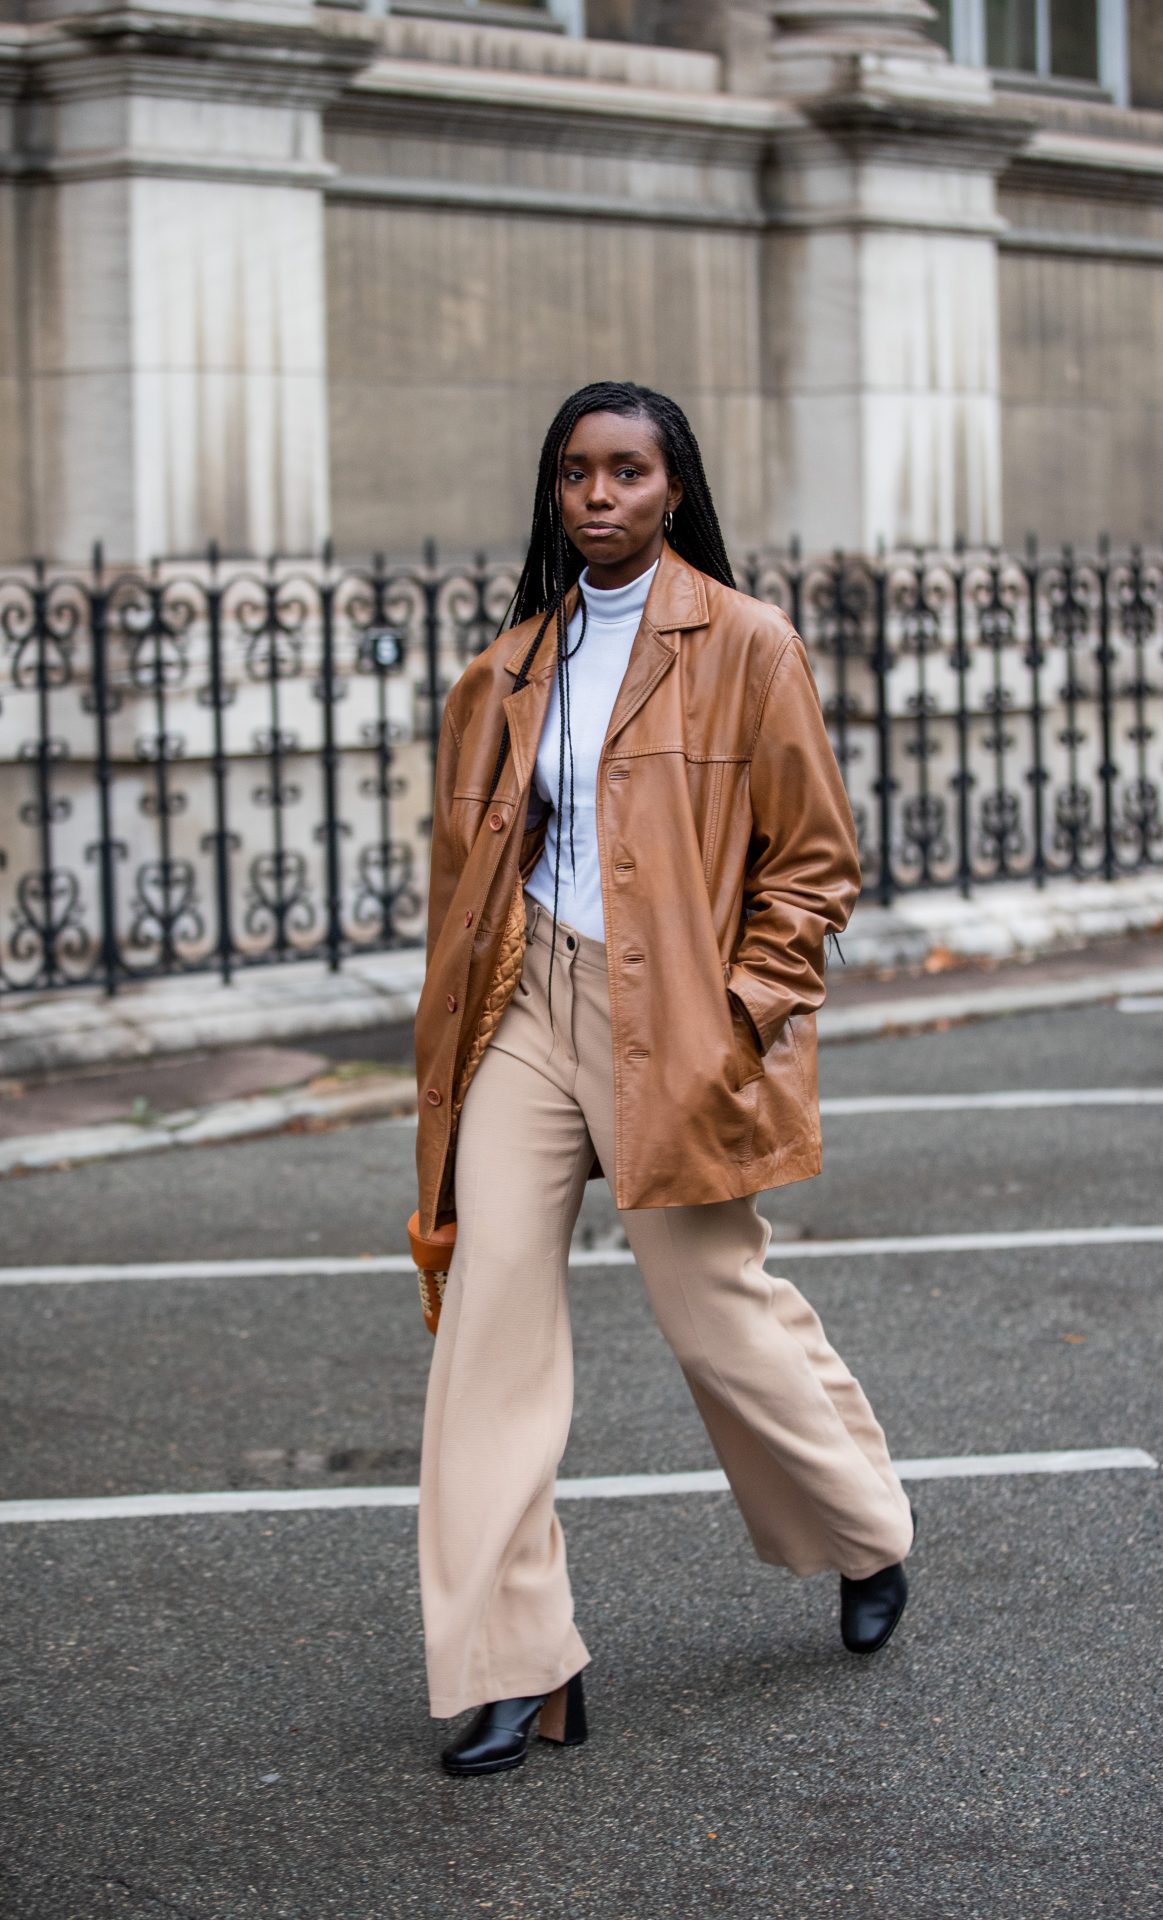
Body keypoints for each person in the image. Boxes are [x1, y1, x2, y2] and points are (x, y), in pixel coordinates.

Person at [412, 380, 915, 1778]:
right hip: (529, 1008)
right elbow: (464, 878)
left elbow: (814, 869)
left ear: (672, 487)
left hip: (680, 1025)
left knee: (715, 1315)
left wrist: (743, 1018)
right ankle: (512, 1666)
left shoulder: (747, 645)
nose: (596, 496)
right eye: (575, 472)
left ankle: (864, 1532)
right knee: (490, 1329)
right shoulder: (508, 668)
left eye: (626, 471)